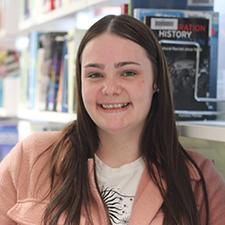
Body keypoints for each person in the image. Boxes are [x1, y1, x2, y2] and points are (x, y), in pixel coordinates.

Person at [0, 14, 225, 225]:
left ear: (156, 80)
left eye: (128, 72)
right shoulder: (31, 158)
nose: (110, 89)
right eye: (95, 75)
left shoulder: (199, 178)